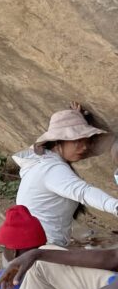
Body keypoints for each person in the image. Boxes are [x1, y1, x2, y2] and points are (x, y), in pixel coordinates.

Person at [13, 103, 118, 246]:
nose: (85, 147)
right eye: (78, 140)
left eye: (87, 141)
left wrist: (75, 118)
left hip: (30, 242)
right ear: (58, 141)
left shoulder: (42, 161)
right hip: (41, 246)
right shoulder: (51, 169)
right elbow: (83, 192)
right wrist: (115, 207)